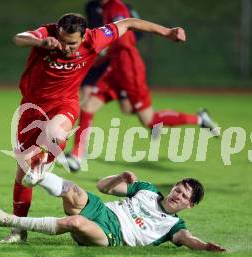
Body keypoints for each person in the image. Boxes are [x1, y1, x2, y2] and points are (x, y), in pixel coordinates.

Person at [3, 13, 191, 243]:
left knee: (54, 133)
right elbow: (19, 37)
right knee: (22, 177)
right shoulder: (47, 33)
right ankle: (18, 230)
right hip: (31, 108)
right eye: (62, 40)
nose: (65, 47)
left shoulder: (96, 38)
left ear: (83, 37)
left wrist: (168, 32)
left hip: (64, 103)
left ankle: (44, 161)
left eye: (71, 43)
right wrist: (40, 42)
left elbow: (130, 23)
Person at [65, 0, 219, 172]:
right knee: (87, 107)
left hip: (129, 67)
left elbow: (123, 36)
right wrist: (100, 57)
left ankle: (199, 119)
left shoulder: (115, 6)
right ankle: (77, 156)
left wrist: (99, 49)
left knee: (150, 120)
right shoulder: (104, 7)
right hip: (116, 65)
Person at [0, 169, 226, 251]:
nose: (177, 195)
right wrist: (120, 176)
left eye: (184, 195)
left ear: (189, 206)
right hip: (102, 210)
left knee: (75, 222)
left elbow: (187, 239)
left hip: (112, 235)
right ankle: (39, 176)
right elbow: (103, 187)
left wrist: (205, 246)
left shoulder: (174, 226)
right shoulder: (148, 190)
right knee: (72, 189)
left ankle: (9, 221)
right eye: (178, 188)